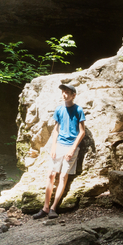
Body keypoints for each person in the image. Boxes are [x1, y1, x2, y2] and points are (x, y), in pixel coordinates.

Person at [33, 82, 86, 220]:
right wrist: (53, 147)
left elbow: (82, 132)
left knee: (63, 176)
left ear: (73, 95)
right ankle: (45, 207)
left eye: (67, 92)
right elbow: (56, 129)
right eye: (63, 91)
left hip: (71, 147)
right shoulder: (59, 109)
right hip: (59, 145)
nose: (64, 94)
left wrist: (73, 148)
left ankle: (53, 208)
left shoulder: (79, 110)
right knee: (51, 174)